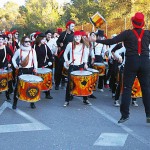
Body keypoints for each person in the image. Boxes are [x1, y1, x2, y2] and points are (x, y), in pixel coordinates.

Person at [89, 12, 150, 123]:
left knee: (127, 88)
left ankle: (125, 115)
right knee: (146, 89)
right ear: (143, 23)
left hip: (131, 61)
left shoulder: (127, 33)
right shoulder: (148, 33)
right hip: (145, 61)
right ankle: (149, 115)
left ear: (132, 22)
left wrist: (96, 40)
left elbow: (112, 41)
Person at [63, 31, 91, 107]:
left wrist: (85, 63)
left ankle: (85, 99)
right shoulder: (70, 44)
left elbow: (86, 55)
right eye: (75, 37)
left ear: (81, 37)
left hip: (81, 66)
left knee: (83, 82)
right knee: (69, 83)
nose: (77, 38)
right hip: (72, 66)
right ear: (74, 38)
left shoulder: (84, 45)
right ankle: (67, 100)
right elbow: (65, 54)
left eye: (78, 37)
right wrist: (66, 61)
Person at [12, 36, 38, 109]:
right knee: (18, 87)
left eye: (29, 41)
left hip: (30, 70)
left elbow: (35, 60)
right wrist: (15, 66)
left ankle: (32, 102)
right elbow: (13, 59)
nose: (28, 43)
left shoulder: (33, 50)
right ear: (23, 42)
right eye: (26, 41)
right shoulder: (19, 50)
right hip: (22, 70)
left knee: (32, 86)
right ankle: (15, 103)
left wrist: (35, 68)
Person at [55, 20, 75, 90]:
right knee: (59, 69)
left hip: (70, 54)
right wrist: (59, 44)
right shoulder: (63, 34)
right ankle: (57, 84)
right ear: (68, 26)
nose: (73, 27)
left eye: (74, 26)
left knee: (68, 68)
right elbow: (57, 41)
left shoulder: (74, 35)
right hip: (63, 53)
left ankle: (64, 83)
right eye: (72, 26)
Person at [34, 33, 53, 99]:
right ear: (39, 39)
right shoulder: (33, 46)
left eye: (45, 39)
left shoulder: (45, 46)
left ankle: (47, 93)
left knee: (46, 80)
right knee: (36, 81)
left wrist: (50, 61)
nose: (45, 40)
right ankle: (36, 93)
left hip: (44, 66)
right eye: (43, 39)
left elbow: (50, 55)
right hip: (36, 66)